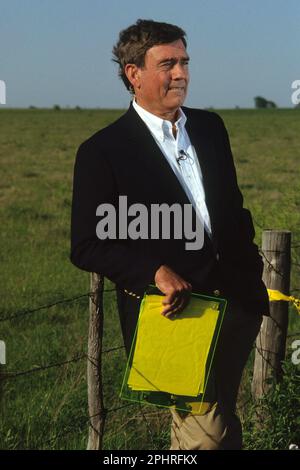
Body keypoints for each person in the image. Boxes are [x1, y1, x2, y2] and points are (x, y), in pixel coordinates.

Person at [70, 19, 269, 450]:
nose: (181, 74)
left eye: (184, 62)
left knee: (224, 421)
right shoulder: (102, 152)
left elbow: (232, 210)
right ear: (134, 74)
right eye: (167, 64)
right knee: (207, 437)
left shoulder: (211, 128)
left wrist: (251, 266)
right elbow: (86, 243)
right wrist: (153, 270)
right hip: (174, 318)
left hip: (238, 304)